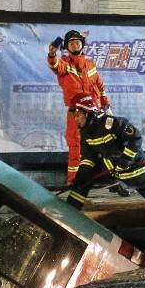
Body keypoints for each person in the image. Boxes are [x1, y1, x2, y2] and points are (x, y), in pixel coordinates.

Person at [64, 93, 145, 242]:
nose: (75, 119)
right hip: (115, 172)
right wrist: (82, 176)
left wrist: (126, 159)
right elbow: (88, 157)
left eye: (78, 115)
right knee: (83, 179)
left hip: (137, 171)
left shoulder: (111, 123)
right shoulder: (86, 132)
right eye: (74, 116)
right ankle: (69, 212)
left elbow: (135, 137)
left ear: (89, 112)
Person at [47, 30, 112, 185]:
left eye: (78, 42)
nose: (75, 45)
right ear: (67, 47)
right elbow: (54, 65)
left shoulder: (90, 64)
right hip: (76, 113)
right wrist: (51, 54)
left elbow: (100, 86)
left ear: (82, 44)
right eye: (71, 43)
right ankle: (74, 181)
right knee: (76, 145)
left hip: (95, 112)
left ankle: (107, 177)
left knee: (102, 143)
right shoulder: (64, 64)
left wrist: (106, 104)